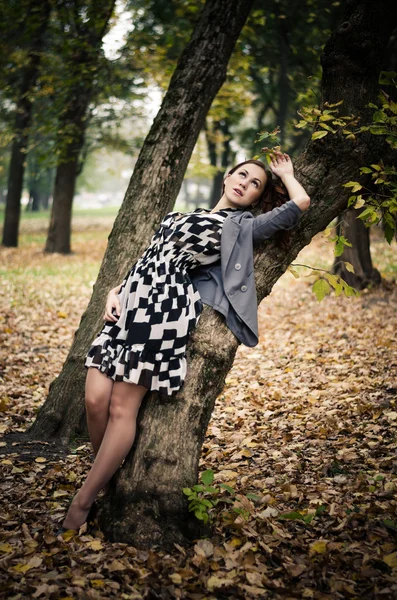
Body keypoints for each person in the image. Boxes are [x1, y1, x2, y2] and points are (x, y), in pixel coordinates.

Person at [58, 151, 310, 532]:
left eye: (255, 184)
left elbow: (300, 205)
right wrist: (116, 289)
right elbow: (148, 258)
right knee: (94, 398)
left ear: (257, 198)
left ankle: (83, 501)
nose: (245, 183)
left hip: (164, 311)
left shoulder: (240, 227)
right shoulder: (178, 216)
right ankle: (106, 478)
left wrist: (286, 174)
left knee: (122, 410)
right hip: (128, 307)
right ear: (227, 178)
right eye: (242, 175)